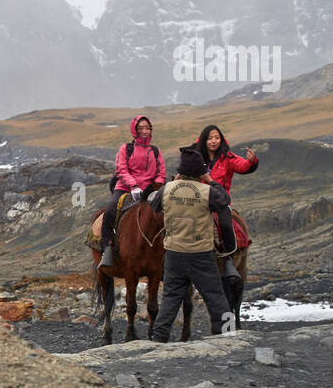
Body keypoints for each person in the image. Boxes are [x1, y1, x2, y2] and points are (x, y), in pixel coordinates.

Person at [147, 146, 237, 342]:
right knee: (215, 297)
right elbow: (224, 201)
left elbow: (152, 202)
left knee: (170, 298)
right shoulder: (207, 192)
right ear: (201, 172)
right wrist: (211, 181)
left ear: (180, 171)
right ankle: (229, 336)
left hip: (173, 253)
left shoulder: (168, 189)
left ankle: (158, 339)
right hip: (201, 254)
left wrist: (175, 183)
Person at [99, 115, 167, 268]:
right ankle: (107, 247)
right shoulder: (126, 148)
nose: (145, 131)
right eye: (141, 128)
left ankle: (168, 250)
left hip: (149, 190)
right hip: (125, 188)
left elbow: (161, 173)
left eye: (147, 128)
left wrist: (156, 187)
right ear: (134, 130)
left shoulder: (155, 151)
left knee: (166, 214)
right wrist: (133, 186)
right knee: (110, 210)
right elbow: (121, 169)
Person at [196, 124, 258, 198]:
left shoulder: (227, 158)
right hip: (200, 204)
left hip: (220, 203)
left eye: (217, 138)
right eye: (210, 138)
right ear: (204, 141)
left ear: (221, 140)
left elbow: (241, 165)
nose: (214, 141)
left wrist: (251, 161)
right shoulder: (196, 159)